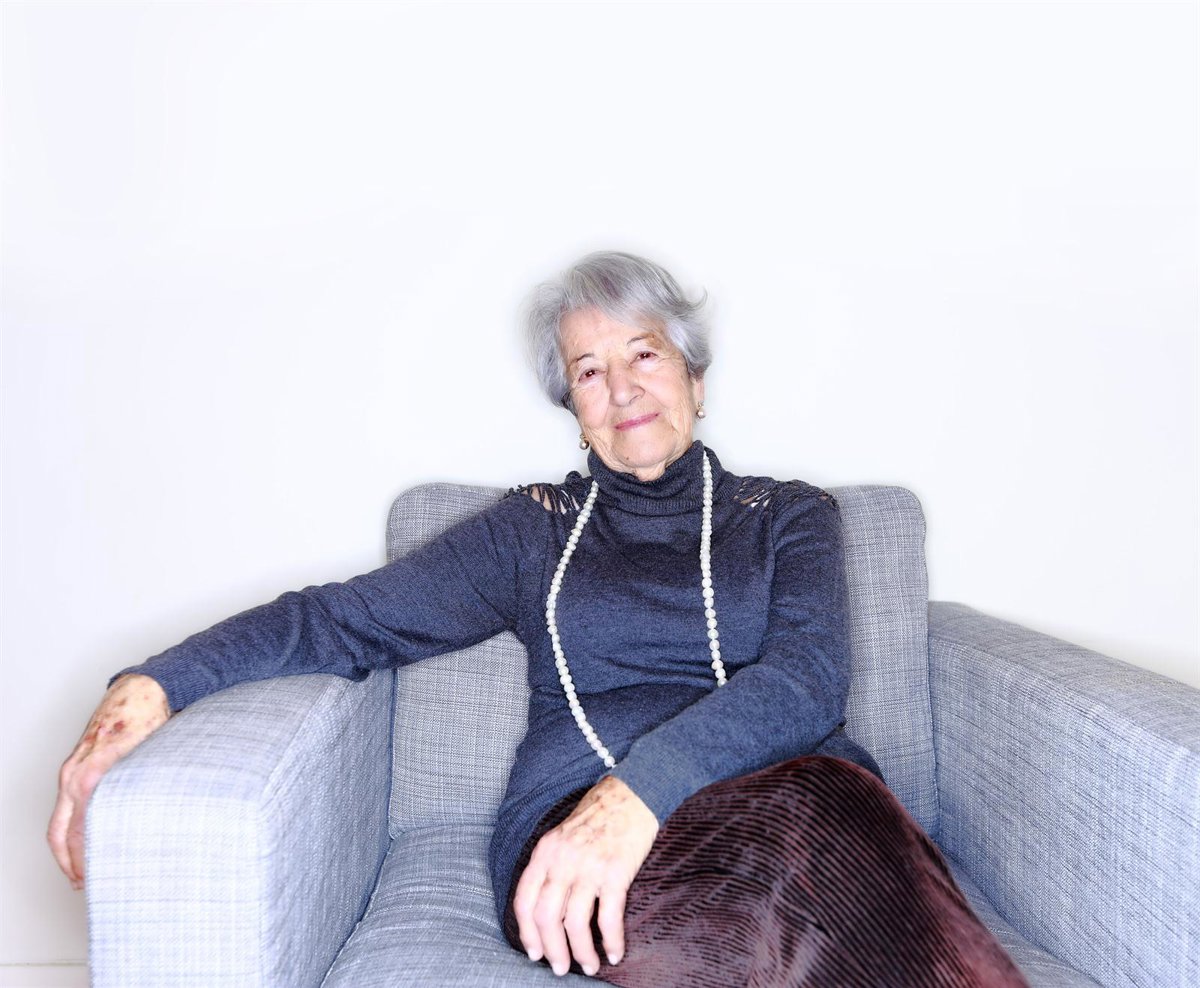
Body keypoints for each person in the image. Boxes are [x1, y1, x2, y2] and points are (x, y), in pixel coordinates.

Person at [49, 251, 1029, 986]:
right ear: (572, 405)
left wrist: (639, 794)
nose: (623, 388)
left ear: (694, 378)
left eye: (644, 353)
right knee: (770, 927)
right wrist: (151, 686)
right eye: (590, 370)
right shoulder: (534, 530)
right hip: (576, 828)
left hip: (803, 798)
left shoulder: (788, 514)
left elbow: (809, 678)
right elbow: (342, 621)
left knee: (845, 851)